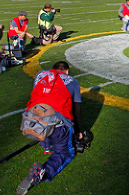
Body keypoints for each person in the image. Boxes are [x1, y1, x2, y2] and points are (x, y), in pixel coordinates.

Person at [17, 61, 83, 195]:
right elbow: (77, 110)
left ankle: (46, 146)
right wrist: (77, 130)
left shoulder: (40, 74)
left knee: (43, 113)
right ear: (67, 71)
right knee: (65, 153)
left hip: (31, 121)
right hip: (56, 124)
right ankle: (42, 172)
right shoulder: (72, 81)